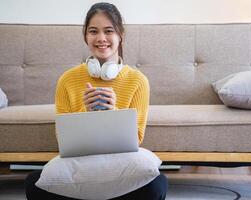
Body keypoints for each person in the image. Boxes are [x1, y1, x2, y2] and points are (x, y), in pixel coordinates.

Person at [25, 2, 168, 200]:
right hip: (80, 163)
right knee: (34, 184)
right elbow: (63, 141)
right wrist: (87, 111)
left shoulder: (138, 81)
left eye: (109, 31)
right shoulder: (67, 79)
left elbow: (136, 139)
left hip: (120, 162)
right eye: (93, 31)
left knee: (157, 185)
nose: (101, 38)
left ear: (121, 35)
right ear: (86, 36)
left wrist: (114, 112)